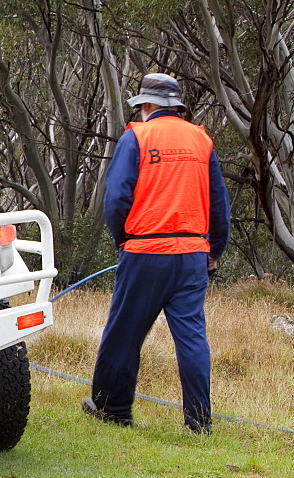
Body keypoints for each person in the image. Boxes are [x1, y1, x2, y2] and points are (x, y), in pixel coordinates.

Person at [83, 72, 230, 433]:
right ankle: (199, 422)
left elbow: (116, 197)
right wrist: (214, 251)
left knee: (124, 333)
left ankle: (112, 408)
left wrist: (124, 241)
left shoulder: (138, 136)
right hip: (193, 252)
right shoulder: (201, 140)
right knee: (192, 338)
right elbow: (219, 206)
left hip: (145, 251)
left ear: (147, 106)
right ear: (176, 106)